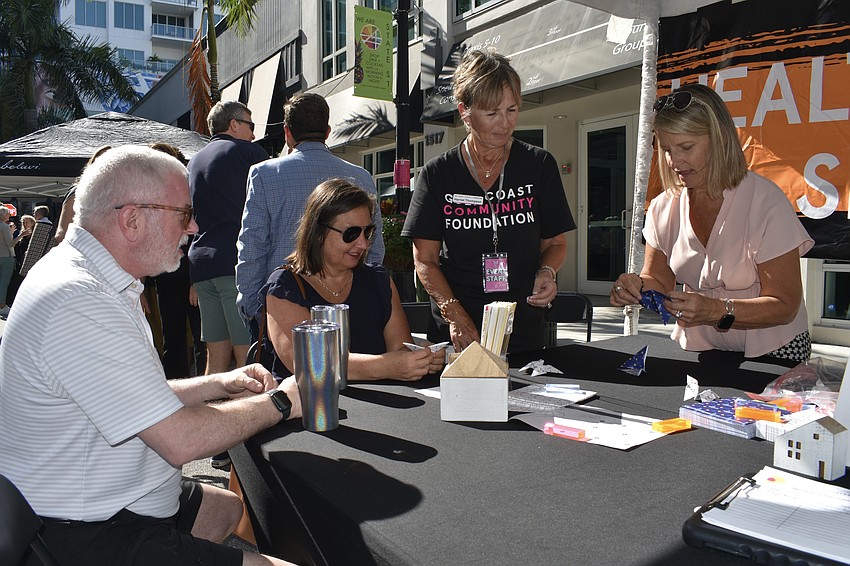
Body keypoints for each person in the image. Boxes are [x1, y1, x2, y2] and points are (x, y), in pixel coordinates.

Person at [0, 145, 302, 566]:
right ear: (132, 220)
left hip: (108, 496)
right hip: (84, 528)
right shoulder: (80, 299)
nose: (194, 227)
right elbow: (182, 441)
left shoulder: (90, 276)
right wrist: (283, 402)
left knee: (226, 509)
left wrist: (219, 383)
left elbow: (136, 395)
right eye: (184, 213)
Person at [609, 84, 813, 361]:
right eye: (666, 149)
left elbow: (784, 305)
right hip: (701, 348)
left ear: (720, 140)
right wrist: (634, 286)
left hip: (776, 350)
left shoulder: (765, 201)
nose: (674, 161)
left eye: (686, 147)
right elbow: (657, 278)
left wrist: (716, 310)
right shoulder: (662, 207)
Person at [402, 49, 576, 353]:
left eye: (512, 110)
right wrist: (455, 315)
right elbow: (425, 259)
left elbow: (555, 243)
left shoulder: (539, 165)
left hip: (521, 326)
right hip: (456, 327)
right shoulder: (438, 174)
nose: (504, 123)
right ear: (464, 112)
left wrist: (547, 273)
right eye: (492, 113)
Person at [237, 93, 385, 342]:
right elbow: (374, 250)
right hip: (349, 306)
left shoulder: (264, 174)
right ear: (328, 131)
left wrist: (254, 308)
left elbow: (252, 248)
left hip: (282, 307)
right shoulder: (360, 176)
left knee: (283, 379)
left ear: (287, 133)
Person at [263, 179, 443, 381]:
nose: (363, 244)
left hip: (381, 406)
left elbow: (400, 349)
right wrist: (385, 366)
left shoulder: (378, 280)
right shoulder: (285, 287)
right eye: (351, 233)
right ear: (318, 232)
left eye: (368, 232)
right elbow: (306, 364)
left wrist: (421, 359)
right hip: (311, 408)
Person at [188, 101, 269, 468]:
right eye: (250, 124)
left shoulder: (195, 160)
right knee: (243, 357)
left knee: (215, 356)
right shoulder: (248, 153)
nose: (254, 131)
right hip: (236, 262)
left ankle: (211, 443)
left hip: (202, 261)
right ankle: (239, 449)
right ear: (235, 125)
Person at [0, 206, 17, 317]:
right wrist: (20, 235)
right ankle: (2, 305)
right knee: (4, 282)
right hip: (6, 257)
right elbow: (11, 243)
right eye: (7, 214)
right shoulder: (4, 227)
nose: (9, 215)